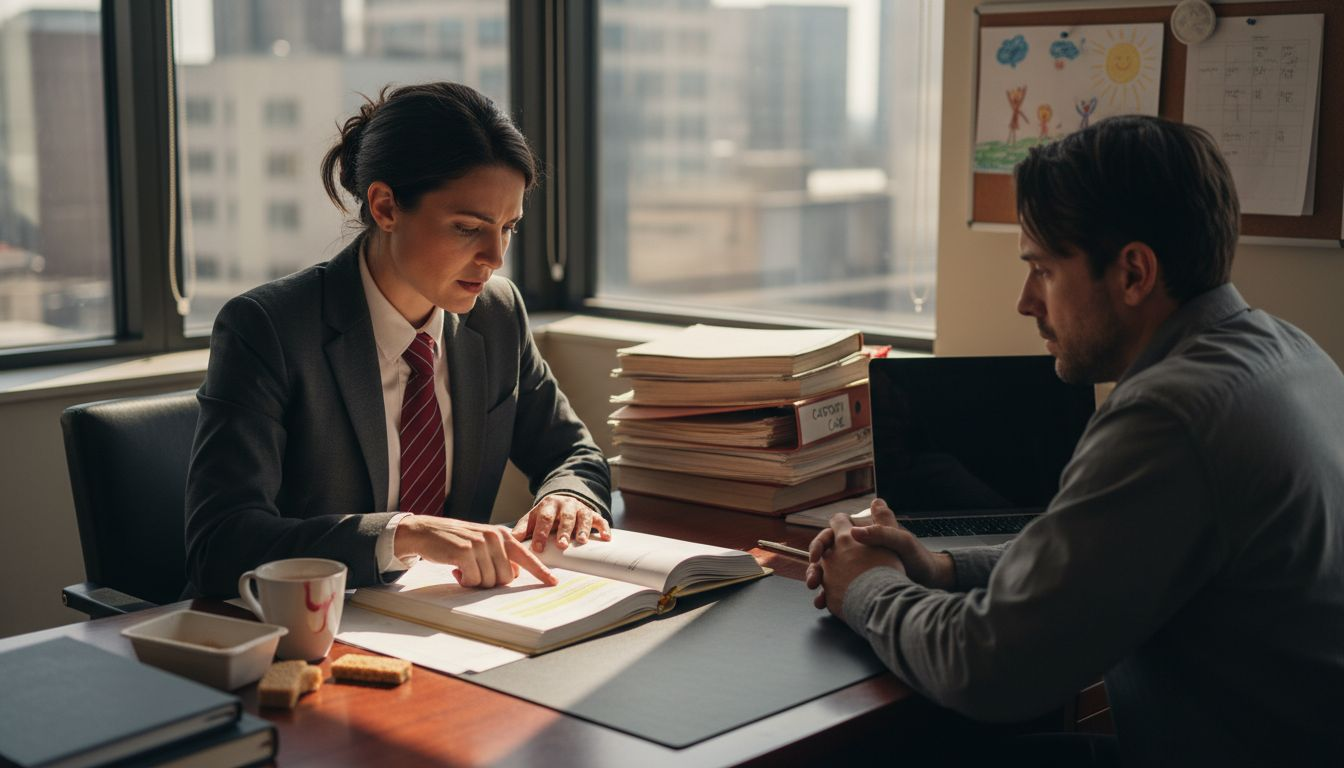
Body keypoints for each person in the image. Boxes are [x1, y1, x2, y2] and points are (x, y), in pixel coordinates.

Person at [806, 115, 1344, 765]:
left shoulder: (1170, 418)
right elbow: (1093, 557)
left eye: (1043, 269)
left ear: (1134, 273)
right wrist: (938, 567)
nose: (1025, 302)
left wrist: (862, 586)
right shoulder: (1289, 352)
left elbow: (985, 667)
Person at [185, 82, 611, 598]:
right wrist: (403, 533)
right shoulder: (267, 329)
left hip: (452, 628)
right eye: (466, 227)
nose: (495, 257)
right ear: (385, 207)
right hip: (315, 631)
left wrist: (569, 498)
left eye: (508, 228)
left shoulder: (498, 315)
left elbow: (574, 454)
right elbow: (222, 545)